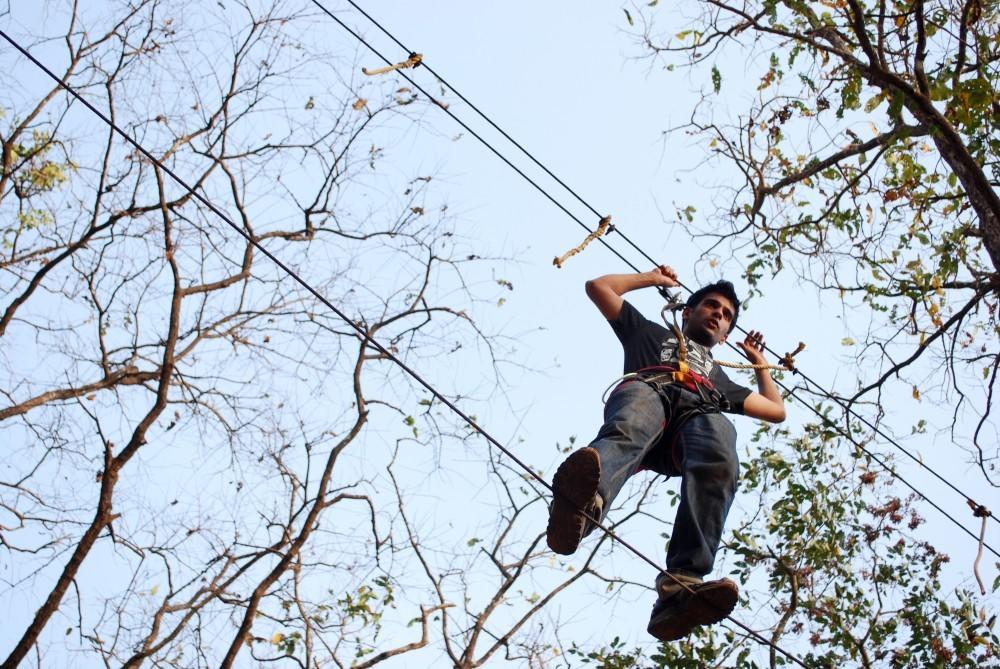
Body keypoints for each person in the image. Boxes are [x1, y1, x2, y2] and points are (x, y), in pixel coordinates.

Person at [545, 266, 786, 641]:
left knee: (721, 448)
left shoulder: (720, 380)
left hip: (695, 418)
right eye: (711, 306)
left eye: (726, 316)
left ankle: (682, 587)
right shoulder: (650, 333)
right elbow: (599, 287)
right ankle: (582, 507)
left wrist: (758, 363)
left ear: (725, 336)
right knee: (634, 417)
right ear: (687, 312)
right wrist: (653, 278)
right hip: (652, 394)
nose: (718, 315)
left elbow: (776, 410)